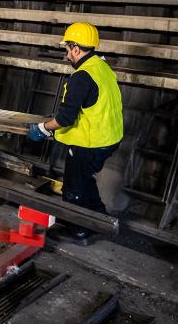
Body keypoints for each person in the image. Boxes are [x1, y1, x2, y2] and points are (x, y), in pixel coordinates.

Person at [27, 22, 123, 244]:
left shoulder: (81, 77)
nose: (67, 55)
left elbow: (65, 119)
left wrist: (42, 129)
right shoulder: (102, 68)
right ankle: (100, 217)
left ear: (76, 49)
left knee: (73, 187)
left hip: (90, 143)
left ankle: (79, 231)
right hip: (109, 139)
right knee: (85, 179)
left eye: (67, 49)